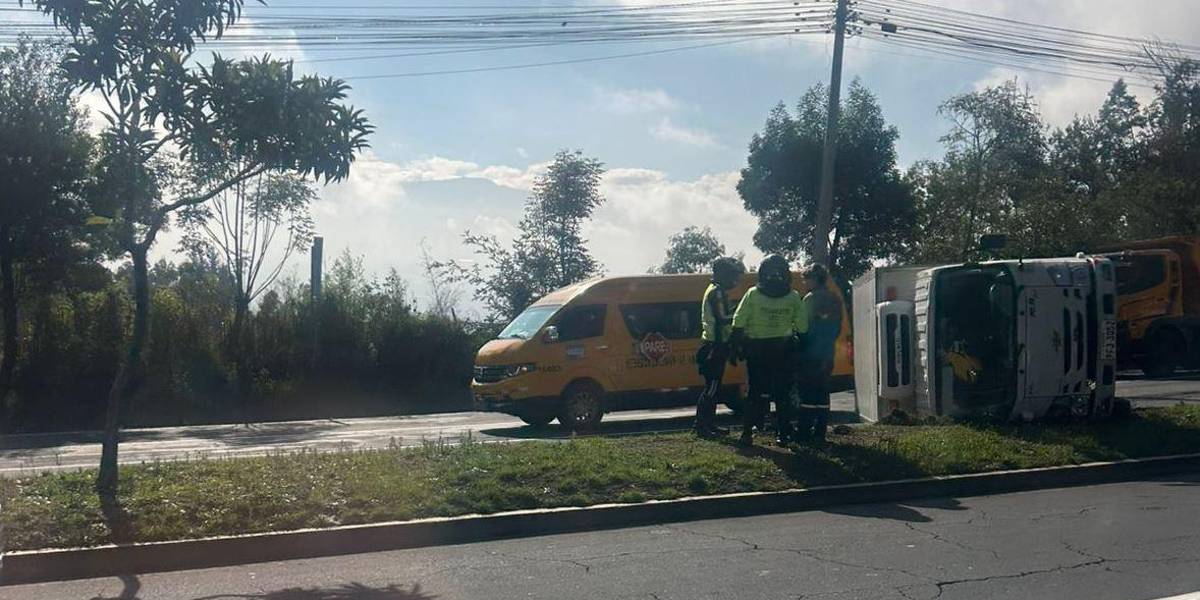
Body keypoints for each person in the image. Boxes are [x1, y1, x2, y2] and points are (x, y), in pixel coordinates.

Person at [731, 254, 807, 447]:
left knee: (755, 393)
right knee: (782, 394)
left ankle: (747, 433)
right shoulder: (793, 297)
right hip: (783, 350)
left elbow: (738, 321)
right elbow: (803, 327)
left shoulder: (752, 294)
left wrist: (736, 345)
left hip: (757, 351)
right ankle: (783, 434)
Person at [693, 256, 745, 437]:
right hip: (715, 345)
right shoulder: (717, 292)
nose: (735, 280)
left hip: (712, 344)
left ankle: (709, 425)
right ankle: (702, 426)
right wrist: (741, 316)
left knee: (714, 386)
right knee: (712, 387)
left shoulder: (714, 290)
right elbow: (723, 319)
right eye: (732, 275)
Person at [794, 264, 842, 443]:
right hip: (827, 352)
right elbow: (837, 327)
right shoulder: (834, 299)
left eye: (806, 279)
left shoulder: (810, 299)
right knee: (822, 393)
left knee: (807, 393)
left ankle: (804, 431)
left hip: (809, 354)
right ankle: (820, 431)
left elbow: (802, 326)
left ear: (814, 279)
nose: (805, 283)